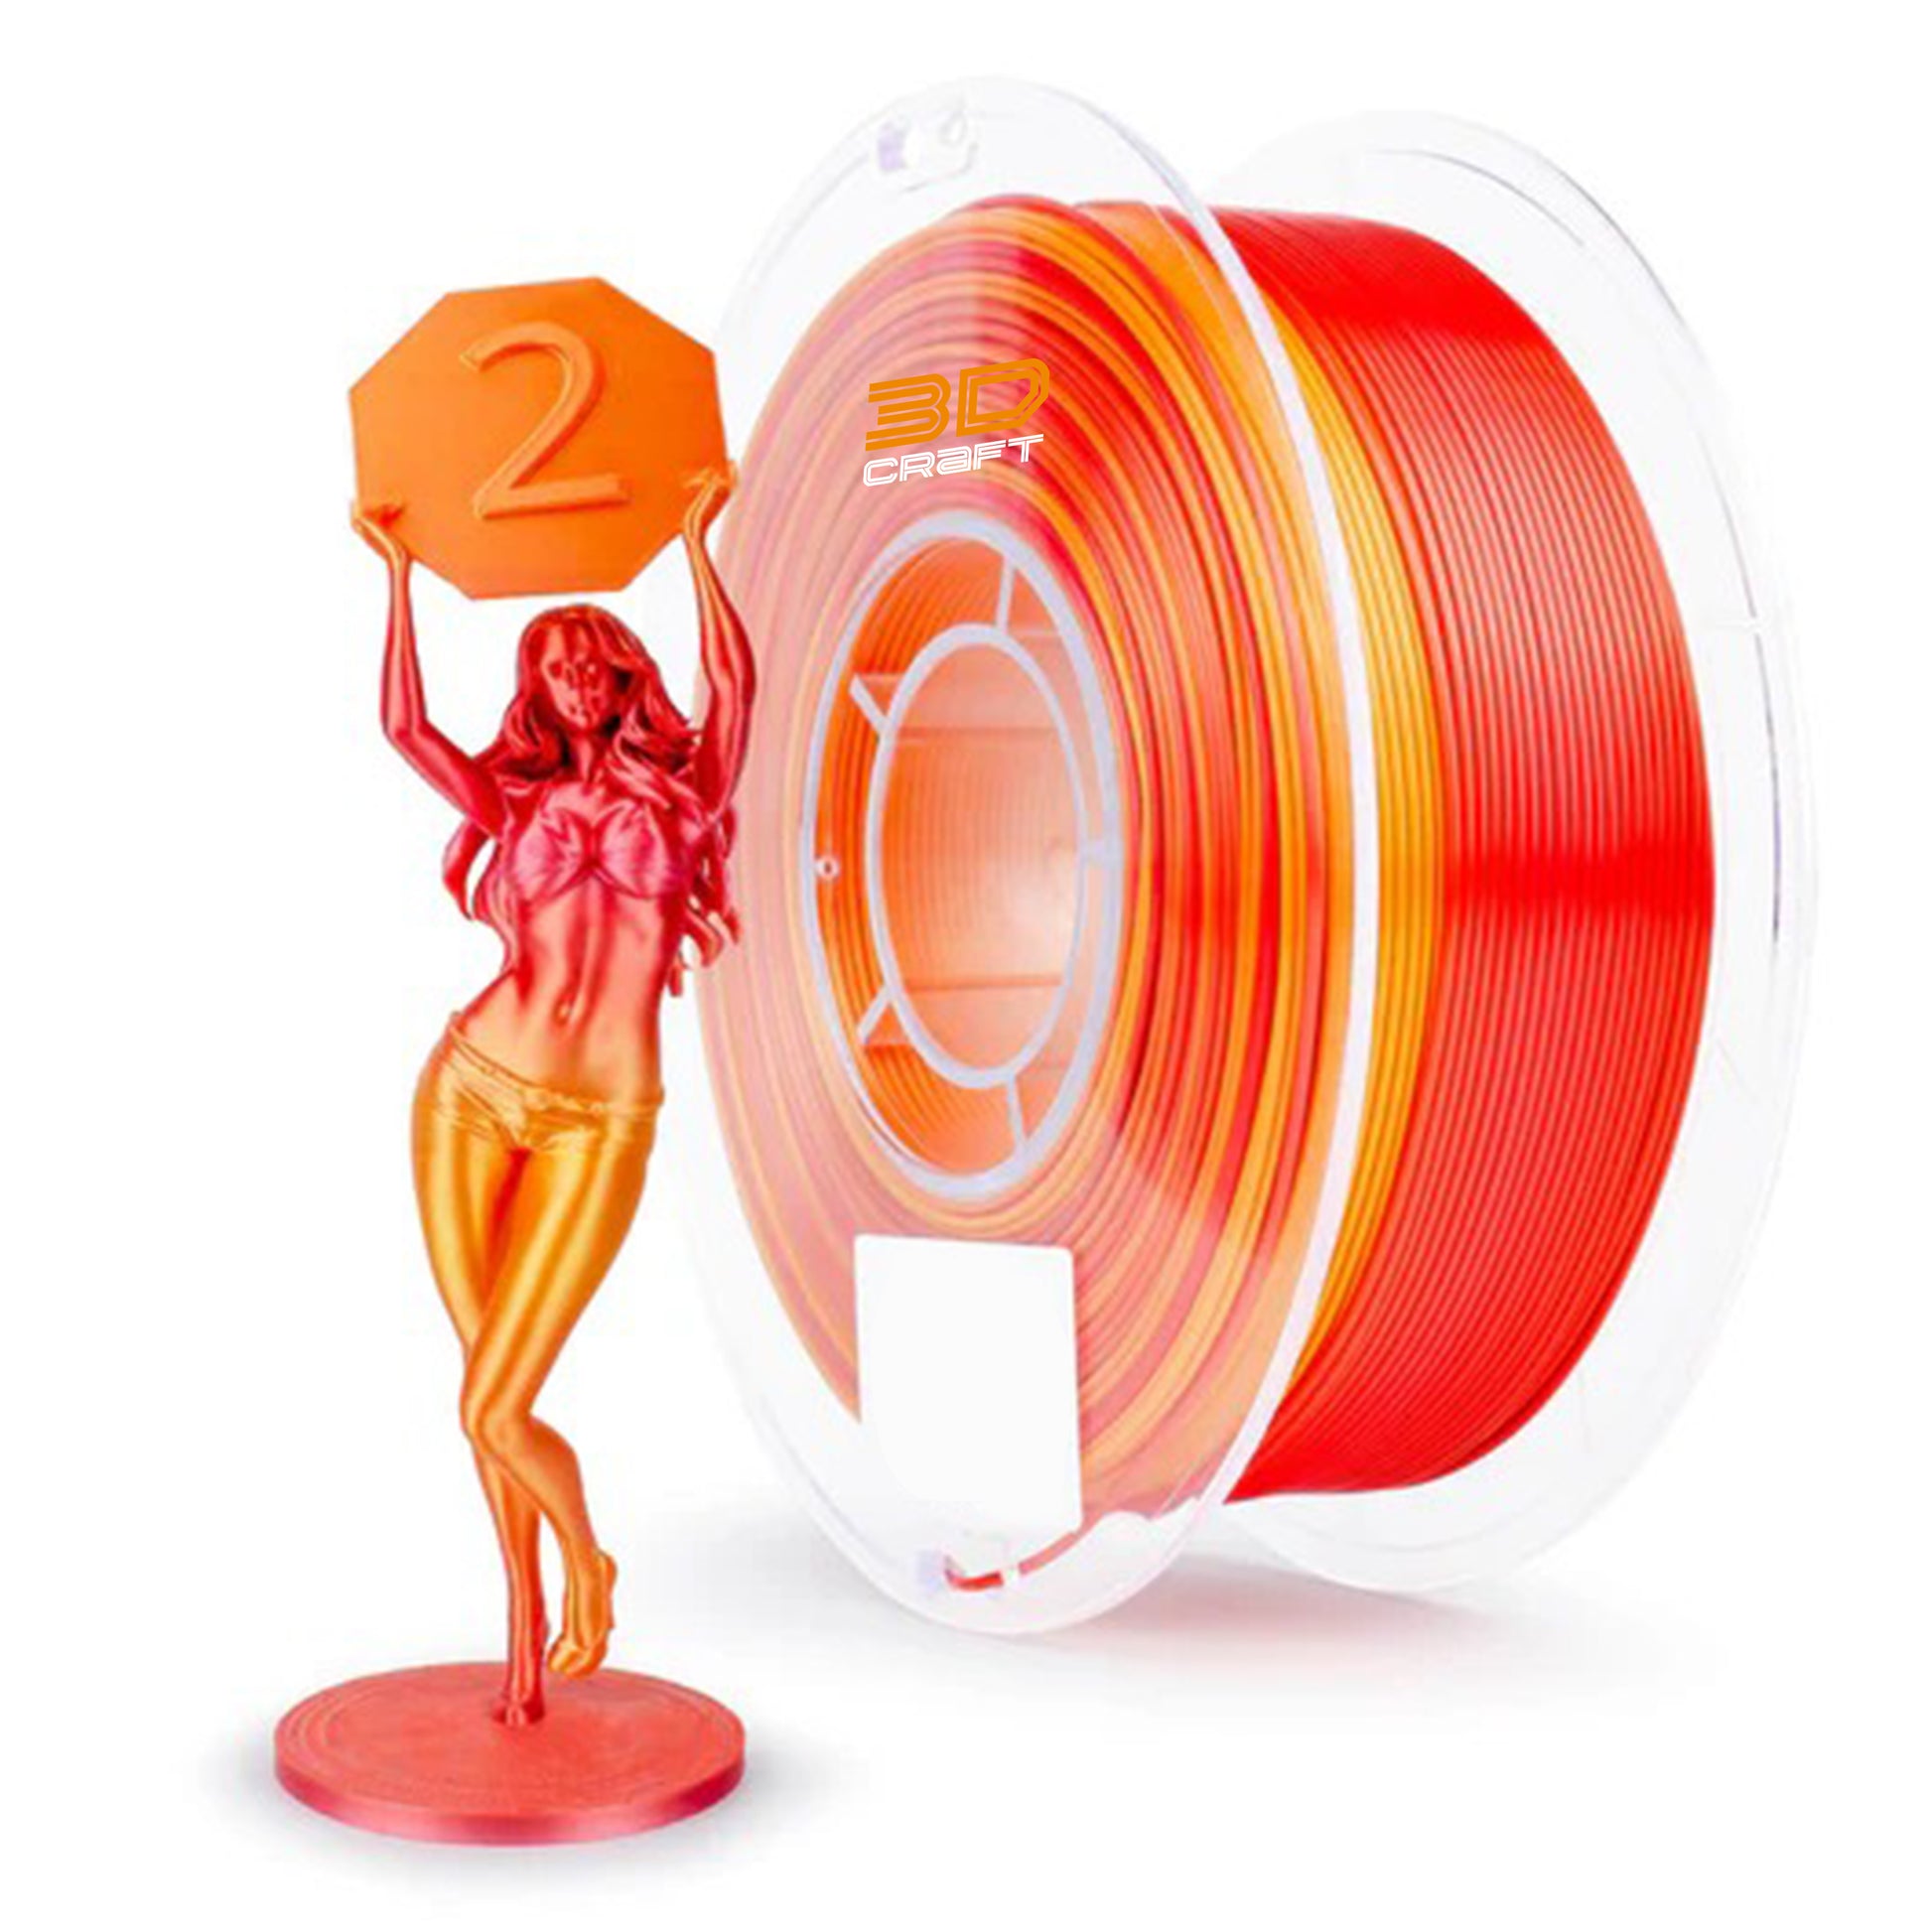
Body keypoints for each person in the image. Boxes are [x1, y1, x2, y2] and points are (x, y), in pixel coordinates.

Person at [351, 470, 753, 1725]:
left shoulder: (686, 792)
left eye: (596, 663)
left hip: (600, 1116)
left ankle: (587, 1561)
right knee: (488, 1394)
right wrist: (397, 578)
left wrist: (695, 543)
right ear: (536, 686)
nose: (579, 682)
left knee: (493, 1402)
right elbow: (406, 731)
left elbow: (734, 684)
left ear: (626, 674)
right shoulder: (514, 795)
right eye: (557, 667)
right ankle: (523, 1645)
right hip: (470, 1088)